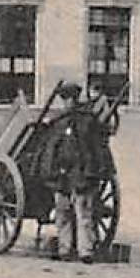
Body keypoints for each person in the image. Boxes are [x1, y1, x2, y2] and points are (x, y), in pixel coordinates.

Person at [44, 81, 103, 263]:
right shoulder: (66, 121)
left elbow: (94, 150)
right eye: (66, 99)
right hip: (65, 175)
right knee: (65, 213)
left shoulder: (81, 121)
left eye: (69, 98)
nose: (68, 102)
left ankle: (84, 251)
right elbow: (53, 150)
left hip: (79, 174)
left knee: (81, 213)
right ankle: (67, 249)